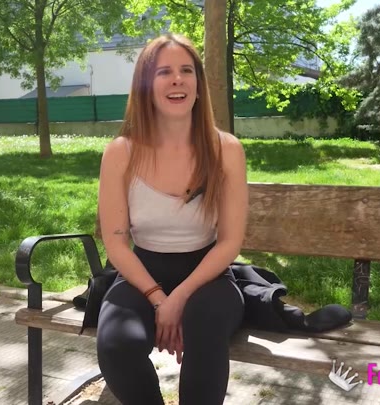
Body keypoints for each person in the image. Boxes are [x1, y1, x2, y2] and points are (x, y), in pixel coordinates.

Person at [96, 33, 248, 405]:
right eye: (164, 72)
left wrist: (177, 299)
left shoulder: (226, 150)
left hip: (209, 275)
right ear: (146, 86)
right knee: (117, 343)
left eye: (186, 71)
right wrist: (157, 297)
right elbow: (116, 242)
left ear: (198, 84)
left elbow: (230, 241)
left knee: (203, 324)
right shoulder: (121, 153)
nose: (177, 79)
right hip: (141, 273)